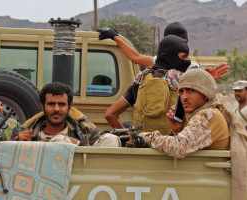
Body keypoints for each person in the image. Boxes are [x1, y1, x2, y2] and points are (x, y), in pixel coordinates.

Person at [105, 35, 191, 134]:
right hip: (172, 147)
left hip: (141, 147)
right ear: (170, 57)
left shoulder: (140, 80)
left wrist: (131, 136)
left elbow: (110, 115)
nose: (188, 60)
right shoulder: (185, 83)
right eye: (184, 56)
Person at [139, 69, 232, 158]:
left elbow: (178, 147)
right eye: (181, 91)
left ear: (205, 93)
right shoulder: (204, 112)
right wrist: (177, 131)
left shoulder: (208, 114)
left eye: (190, 90)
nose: (184, 97)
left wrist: (148, 137)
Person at [97, 22, 229, 80]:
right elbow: (135, 57)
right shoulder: (159, 62)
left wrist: (206, 79)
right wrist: (115, 37)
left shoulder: (192, 67)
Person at [11, 82, 121, 147]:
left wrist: (77, 145)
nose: (56, 109)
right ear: (42, 106)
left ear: (69, 107)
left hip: (80, 181)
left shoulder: (86, 131)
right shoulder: (26, 131)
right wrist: (18, 145)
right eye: (51, 104)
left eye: (62, 104)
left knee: (110, 139)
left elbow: (96, 160)